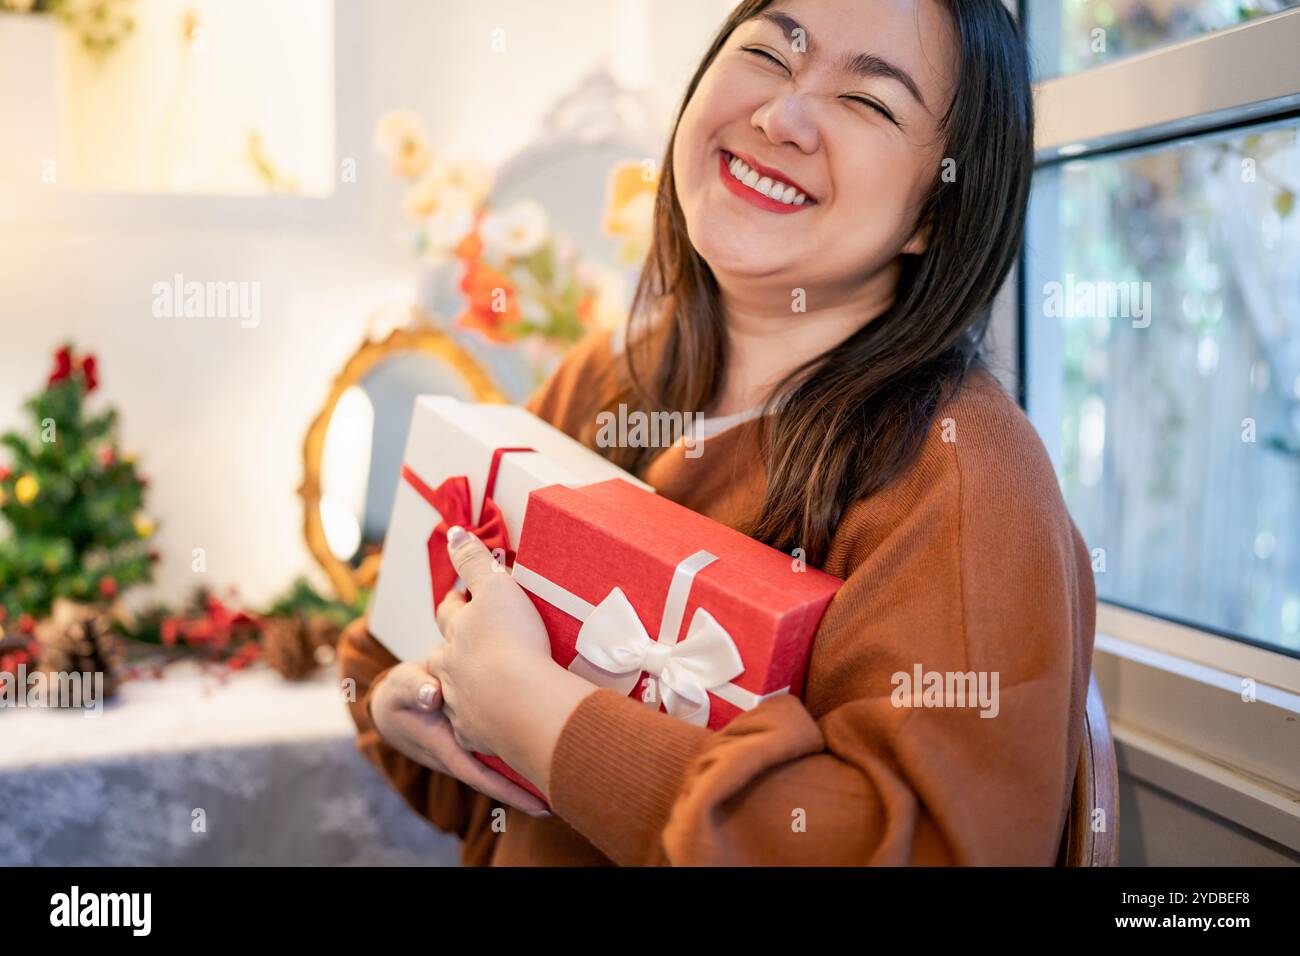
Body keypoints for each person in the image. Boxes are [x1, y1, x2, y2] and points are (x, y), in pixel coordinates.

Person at [339, 0, 1096, 866]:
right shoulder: (605, 380)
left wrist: (541, 719)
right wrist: (421, 706)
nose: (782, 116)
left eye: (871, 103)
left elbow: (928, 848)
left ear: (937, 210)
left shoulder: (963, 481)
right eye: (772, 53)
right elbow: (384, 657)